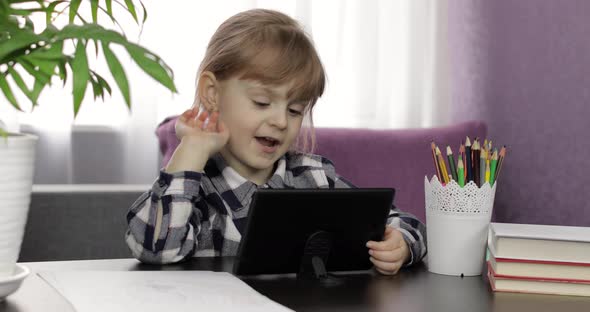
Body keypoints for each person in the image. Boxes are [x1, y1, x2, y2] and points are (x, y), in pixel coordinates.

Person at [125, 8, 426, 275]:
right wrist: (190, 150)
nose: (281, 121)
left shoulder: (313, 177)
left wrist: (400, 243)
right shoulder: (195, 190)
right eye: (261, 102)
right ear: (213, 93)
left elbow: (402, 222)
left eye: (295, 110)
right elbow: (154, 246)